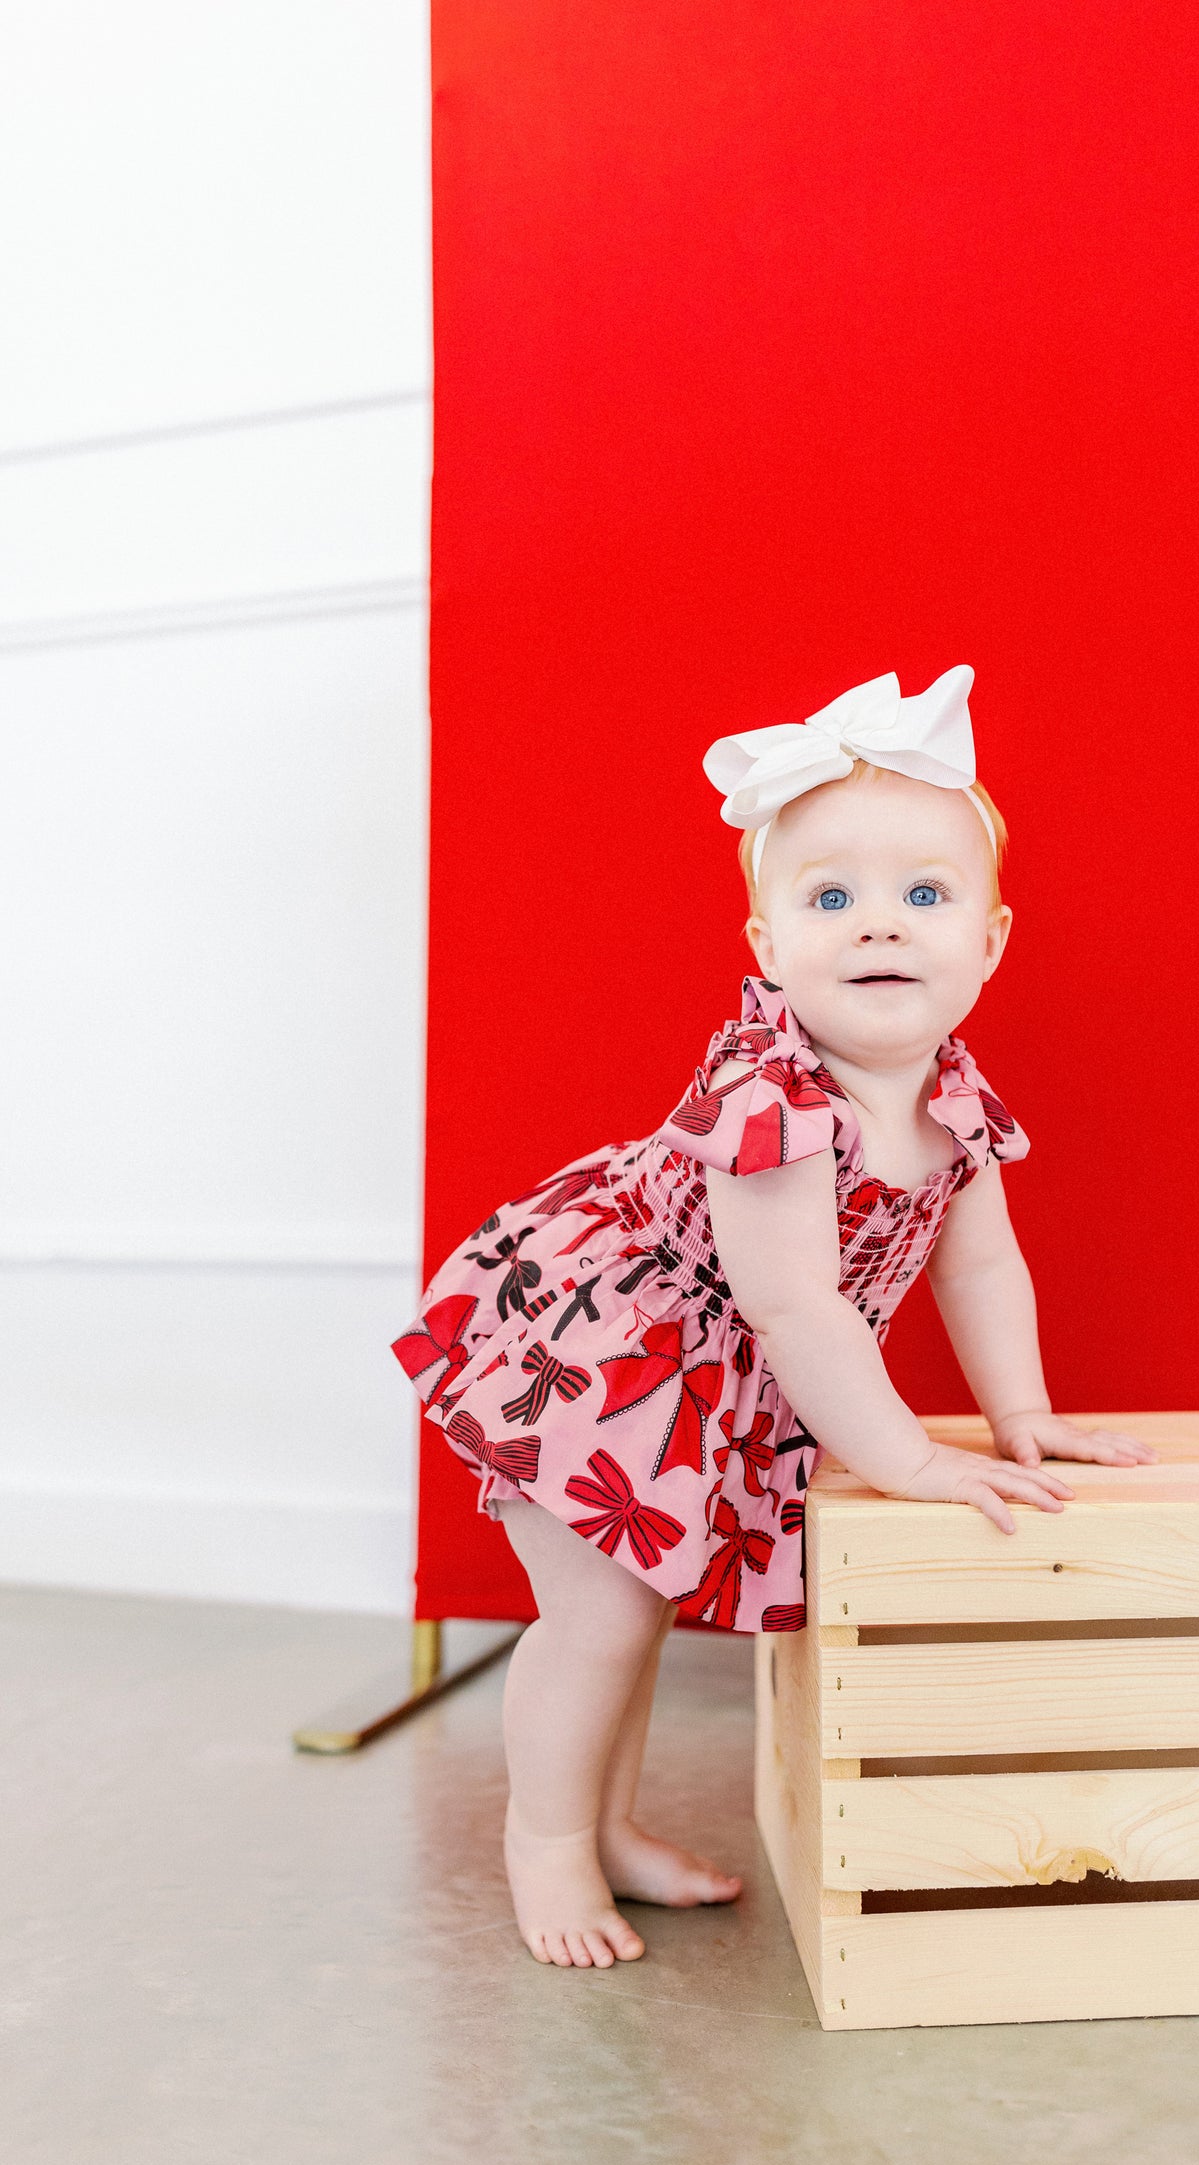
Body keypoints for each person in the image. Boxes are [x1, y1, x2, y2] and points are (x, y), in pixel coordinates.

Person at [392, 666, 1155, 1970]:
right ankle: (546, 1843)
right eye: (829, 898)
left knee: (637, 1606)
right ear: (765, 948)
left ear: (991, 940)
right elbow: (792, 1302)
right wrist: (905, 1457)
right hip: (595, 1357)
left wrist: (1020, 1414)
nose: (880, 928)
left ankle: (609, 1829)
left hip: (706, 1380)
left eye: (923, 895)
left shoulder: (953, 1096)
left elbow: (981, 1269)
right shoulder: (774, 1103)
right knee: (601, 1616)